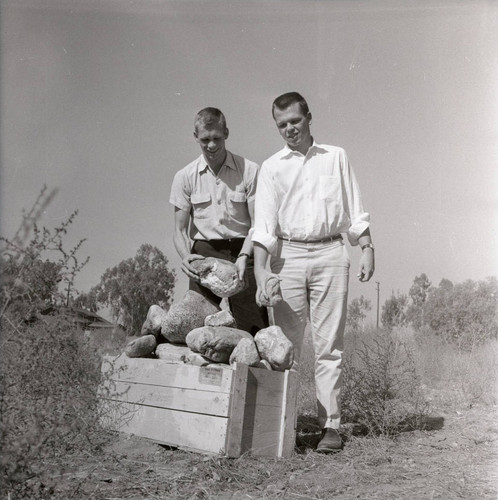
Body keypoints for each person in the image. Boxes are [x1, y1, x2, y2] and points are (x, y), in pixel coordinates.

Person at [252, 92, 375, 452]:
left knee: (329, 347)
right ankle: (281, 425)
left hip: (331, 253)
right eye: (282, 125)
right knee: (283, 348)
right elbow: (264, 227)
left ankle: (330, 427)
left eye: (295, 121)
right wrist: (261, 271)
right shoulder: (271, 167)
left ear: (309, 117)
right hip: (287, 258)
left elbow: (355, 209)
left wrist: (366, 247)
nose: (289, 129)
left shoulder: (336, 157)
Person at [170, 107, 268, 334]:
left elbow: (258, 223)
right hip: (204, 254)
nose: (211, 145)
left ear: (226, 133)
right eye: (205, 139)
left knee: (253, 331)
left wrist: (244, 256)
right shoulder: (184, 177)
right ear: (196, 137)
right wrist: (186, 258)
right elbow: (179, 230)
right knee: (195, 329)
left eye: (217, 138)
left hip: (243, 252)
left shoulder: (250, 170)